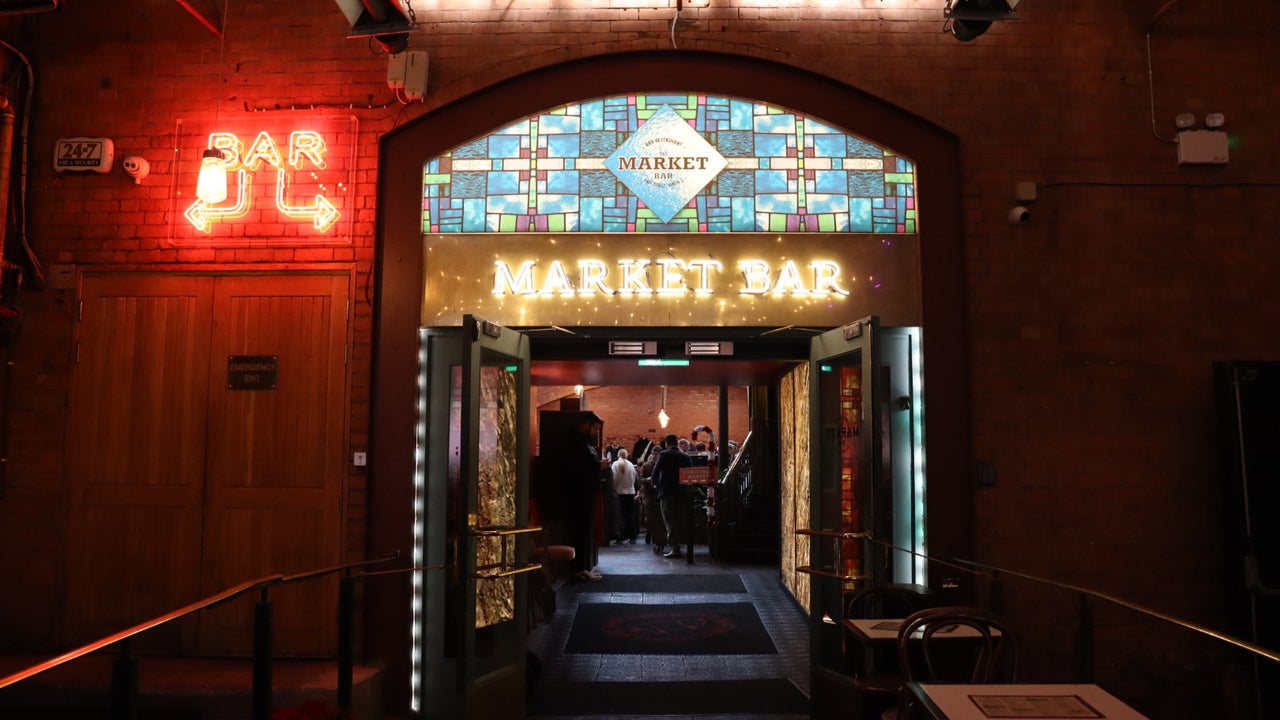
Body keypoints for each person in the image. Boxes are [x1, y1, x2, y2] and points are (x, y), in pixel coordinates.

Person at [563, 416, 605, 582]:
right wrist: (598, 466)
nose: (596, 432)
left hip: (584, 494)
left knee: (584, 531)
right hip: (579, 495)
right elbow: (578, 468)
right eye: (594, 429)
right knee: (579, 532)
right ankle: (578, 569)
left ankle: (582, 568)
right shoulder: (576, 445)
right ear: (585, 426)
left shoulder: (584, 444)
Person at [650, 433, 693, 559]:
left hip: (667, 492)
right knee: (678, 519)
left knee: (669, 520)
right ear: (677, 442)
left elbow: (655, 472)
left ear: (667, 443)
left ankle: (675, 548)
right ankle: (678, 545)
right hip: (682, 492)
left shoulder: (664, 454)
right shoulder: (685, 456)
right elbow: (689, 474)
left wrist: (655, 484)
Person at [611, 448, 639, 544]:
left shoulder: (615, 464)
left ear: (618, 455)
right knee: (630, 514)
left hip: (619, 492)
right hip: (630, 492)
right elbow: (635, 479)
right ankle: (632, 536)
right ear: (627, 455)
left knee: (619, 515)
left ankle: (621, 536)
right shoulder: (631, 465)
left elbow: (613, 479)